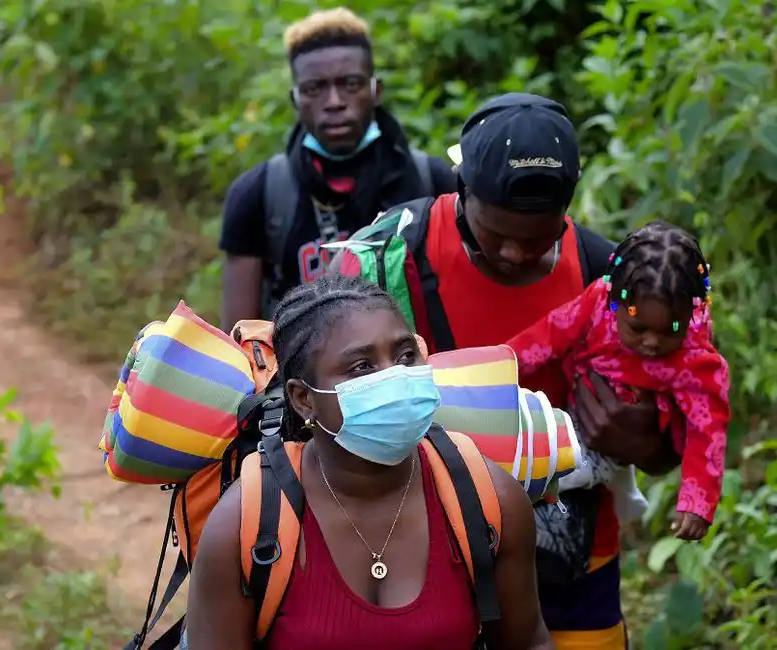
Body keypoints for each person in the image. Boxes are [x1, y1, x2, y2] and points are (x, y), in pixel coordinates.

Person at [332, 92, 682, 649]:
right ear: (461, 189)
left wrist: (648, 440)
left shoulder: (606, 276)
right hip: (419, 553)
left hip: (568, 563)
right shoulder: (388, 259)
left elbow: (673, 435)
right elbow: (325, 402)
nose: (517, 255)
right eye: (495, 236)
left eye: (538, 239)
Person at [186, 274, 553, 650]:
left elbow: (529, 641)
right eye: (361, 366)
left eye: (405, 355)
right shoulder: (246, 525)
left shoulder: (486, 498)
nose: (395, 377)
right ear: (303, 399)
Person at [218, 7, 457, 332]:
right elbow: (240, 340)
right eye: (315, 89)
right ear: (296, 99)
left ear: (376, 90)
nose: (334, 102)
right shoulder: (259, 194)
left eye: (351, 84)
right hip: (302, 378)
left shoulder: (431, 180)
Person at [506, 221, 730, 541]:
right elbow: (551, 333)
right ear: (616, 300)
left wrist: (698, 503)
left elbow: (708, 434)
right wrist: (501, 367)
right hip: (574, 403)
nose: (652, 342)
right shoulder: (599, 303)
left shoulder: (697, 361)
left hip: (618, 443)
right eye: (638, 328)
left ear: (691, 311)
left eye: (670, 331)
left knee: (542, 475)